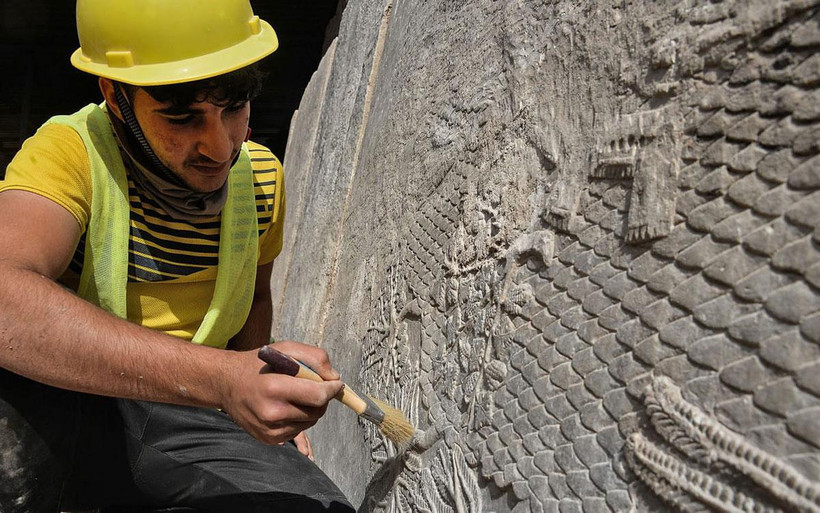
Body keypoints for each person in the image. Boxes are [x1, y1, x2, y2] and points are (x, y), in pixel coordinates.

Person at [0, 1, 354, 511]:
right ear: (115, 96)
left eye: (233, 108)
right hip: (66, 400)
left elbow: (253, 298)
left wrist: (261, 382)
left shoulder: (260, 179)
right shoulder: (70, 154)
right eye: (182, 117)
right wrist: (222, 377)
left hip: (190, 415)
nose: (219, 145)